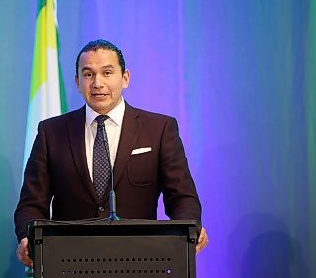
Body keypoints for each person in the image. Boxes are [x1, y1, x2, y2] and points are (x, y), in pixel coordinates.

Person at [15, 39, 208, 267]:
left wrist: (189, 230)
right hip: (70, 263)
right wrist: (27, 236)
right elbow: (31, 203)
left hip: (142, 261)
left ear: (125, 78)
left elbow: (182, 196)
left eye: (107, 73)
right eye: (88, 74)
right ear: (77, 82)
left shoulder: (159, 129)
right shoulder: (51, 132)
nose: (97, 83)